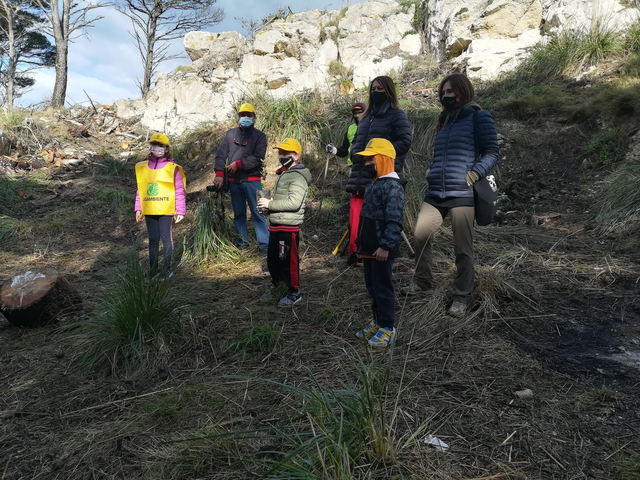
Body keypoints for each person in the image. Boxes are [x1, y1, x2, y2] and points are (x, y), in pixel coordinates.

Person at [406, 73, 499, 317]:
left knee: (462, 249)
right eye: (444, 93)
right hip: (436, 190)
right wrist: (431, 169)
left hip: (462, 193)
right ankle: (422, 283)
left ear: (463, 91)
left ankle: (462, 297)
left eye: (451, 91)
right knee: (420, 235)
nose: (447, 96)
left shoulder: (479, 116)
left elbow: (491, 152)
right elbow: (442, 155)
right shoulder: (443, 120)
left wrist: (475, 174)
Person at [346, 76, 411, 266]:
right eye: (373, 88)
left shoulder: (397, 114)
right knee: (356, 217)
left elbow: (405, 142)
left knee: (378, 219)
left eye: (380, 88)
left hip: (381, 174)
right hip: (359, 172)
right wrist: (355, 153)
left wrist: (380, 154)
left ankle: (377, 254)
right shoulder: (364, 117)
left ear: (389, 90)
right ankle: (358, 254)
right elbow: (356, 141)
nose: (376, 91)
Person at [354, 138, 405, 348]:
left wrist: (386, 245)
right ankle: (376, 321)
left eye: (370, 160)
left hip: (382, 249)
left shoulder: (393, 187)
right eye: (365, 161)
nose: (366, 165)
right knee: (372, 287)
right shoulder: (374, 185)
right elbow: (365, 217)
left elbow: (394, 220)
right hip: (368, 247)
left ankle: (387, 327)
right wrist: (359, 243)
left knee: (383, 288)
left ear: (383, 159)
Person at [257, 138, 312, 307]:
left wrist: (270, 204)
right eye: (280, 153)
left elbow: (294, 203)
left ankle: (294, 292)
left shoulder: (298, 176)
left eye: (286, 153)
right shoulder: (285, 172)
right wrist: (271, 202)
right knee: (273, 260)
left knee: (289, 261)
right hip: (276, 224)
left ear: (297, 155)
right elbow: (286, 198)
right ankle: (278, 285)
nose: (281, 156)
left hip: (289, 227)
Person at [213, 102, 269, 256]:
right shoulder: (230, 134)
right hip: (234, 182)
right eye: (242, 115)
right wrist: (219, 174)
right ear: (238, 117)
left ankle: (264, 246)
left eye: (248, 115)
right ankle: (242, 244)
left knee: (259, 212)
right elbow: (220, 155)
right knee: (239, 214)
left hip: (252, 181)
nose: (245, 118)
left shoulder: (260, 136)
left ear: (254, 117)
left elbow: (258, 158)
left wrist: (238, 164)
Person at [134, 133, 186, 276]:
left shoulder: (172, 167)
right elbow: (141, 189)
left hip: (166, 209)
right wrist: (138, 207)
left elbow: (179, 190)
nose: (157, 148)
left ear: (167, 148)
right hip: (150, 208)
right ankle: (153, 270)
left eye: (161, 145)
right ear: (150, 147)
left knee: (166, 238)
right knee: (153, 239)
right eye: (154, 145)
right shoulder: (143, 167)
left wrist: (180, 210)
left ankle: (166, 269)